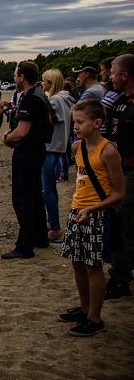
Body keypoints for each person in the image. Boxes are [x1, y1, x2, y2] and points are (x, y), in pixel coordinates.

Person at [58, 99, 124, 336]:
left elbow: (119, 193)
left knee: (93, 266)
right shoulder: (78, 148)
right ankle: (85, 309)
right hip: (77, 212)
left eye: (80, 122)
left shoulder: (108, 151)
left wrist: (92, 209)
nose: (75, 127)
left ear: (96, 123)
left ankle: (95, 318)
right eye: (74, 122)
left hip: (96, 215)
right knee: (77, 263)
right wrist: (80, 208)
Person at [0, 61, 51, 259]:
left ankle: (25, 245)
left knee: (23, 198)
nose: (14, 78)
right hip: (37, 152)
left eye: (15, 75)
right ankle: (39, 237)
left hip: (27, 152)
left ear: (22, 77)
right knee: (35, 196)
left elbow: (22, 132)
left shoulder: (31, 99)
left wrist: (7, 137)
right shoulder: (40, 95)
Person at [105, 53, 134, 299]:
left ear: (125, 75)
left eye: (113, 73)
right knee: (117, 222)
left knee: (127, 224)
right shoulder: (120, 100)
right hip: (118, 170)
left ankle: (122, 277)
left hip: (131, 172)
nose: (110, 77)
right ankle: (120, 274)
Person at [40, 69, 76, 243]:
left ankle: (55, 228)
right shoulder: (66, 99)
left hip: (51, 147)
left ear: (51, 83)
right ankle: (51, 222)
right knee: (51, 189)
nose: (42, 84)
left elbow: (51, 121)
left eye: (44, 81)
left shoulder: (55, 100)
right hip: (59, 147)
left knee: (46, 190)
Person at [99, 57, 120, 138]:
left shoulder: (115, 92)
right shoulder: (109, 89)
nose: (100, 74)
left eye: (102, 70)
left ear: (109, 72)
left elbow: (98, 109)